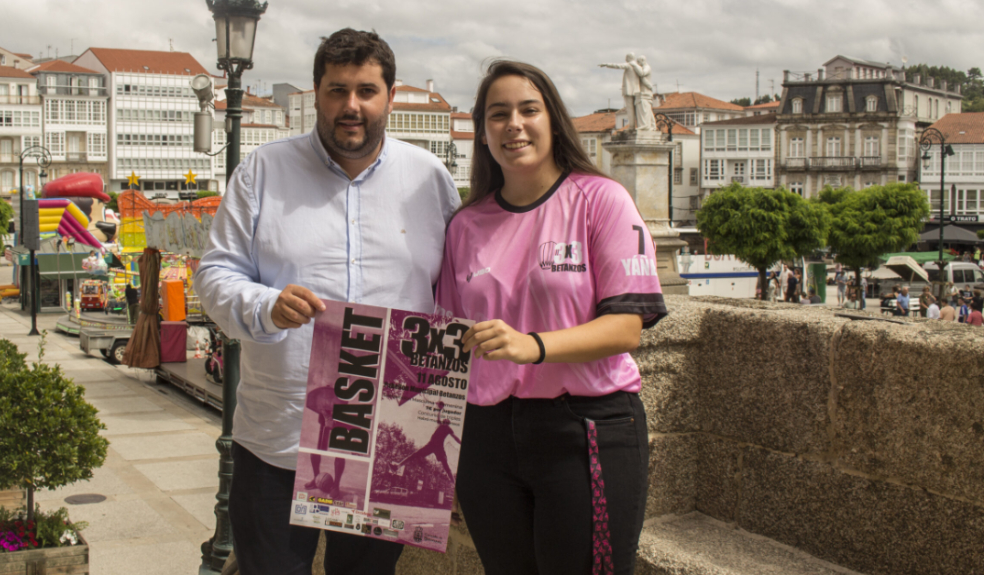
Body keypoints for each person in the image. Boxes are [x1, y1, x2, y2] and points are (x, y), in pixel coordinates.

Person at [193, 29, 459, 575]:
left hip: (387, 436)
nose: (351, 106)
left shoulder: (430, 179)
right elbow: (215, 276)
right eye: (337, 90)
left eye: (366, 90)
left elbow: (453, 294)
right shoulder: (263, 172)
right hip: (278, 441)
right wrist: (266, 305)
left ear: (389, 95)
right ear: (316, 93)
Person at [436, 60, 668, 575]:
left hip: (584, 427)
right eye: (498, 115)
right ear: (482, 133)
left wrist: (532, 345)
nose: (513, 124)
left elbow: (628, 325)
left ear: (553, 120)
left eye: (528, 109)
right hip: (486, 436)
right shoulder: (465, 224)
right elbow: (448, 341)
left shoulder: (602, 200)